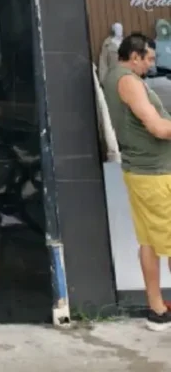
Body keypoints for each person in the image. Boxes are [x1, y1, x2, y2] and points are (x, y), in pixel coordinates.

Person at [102, 32, 171, 331]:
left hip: (141, 172)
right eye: (149, 59)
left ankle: (157, 310)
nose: (151, 65)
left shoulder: (113, 77)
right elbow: (156, 127)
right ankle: (157, 309)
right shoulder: (129, 82)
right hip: (154, 174)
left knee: (149, 243)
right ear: (134, 57)